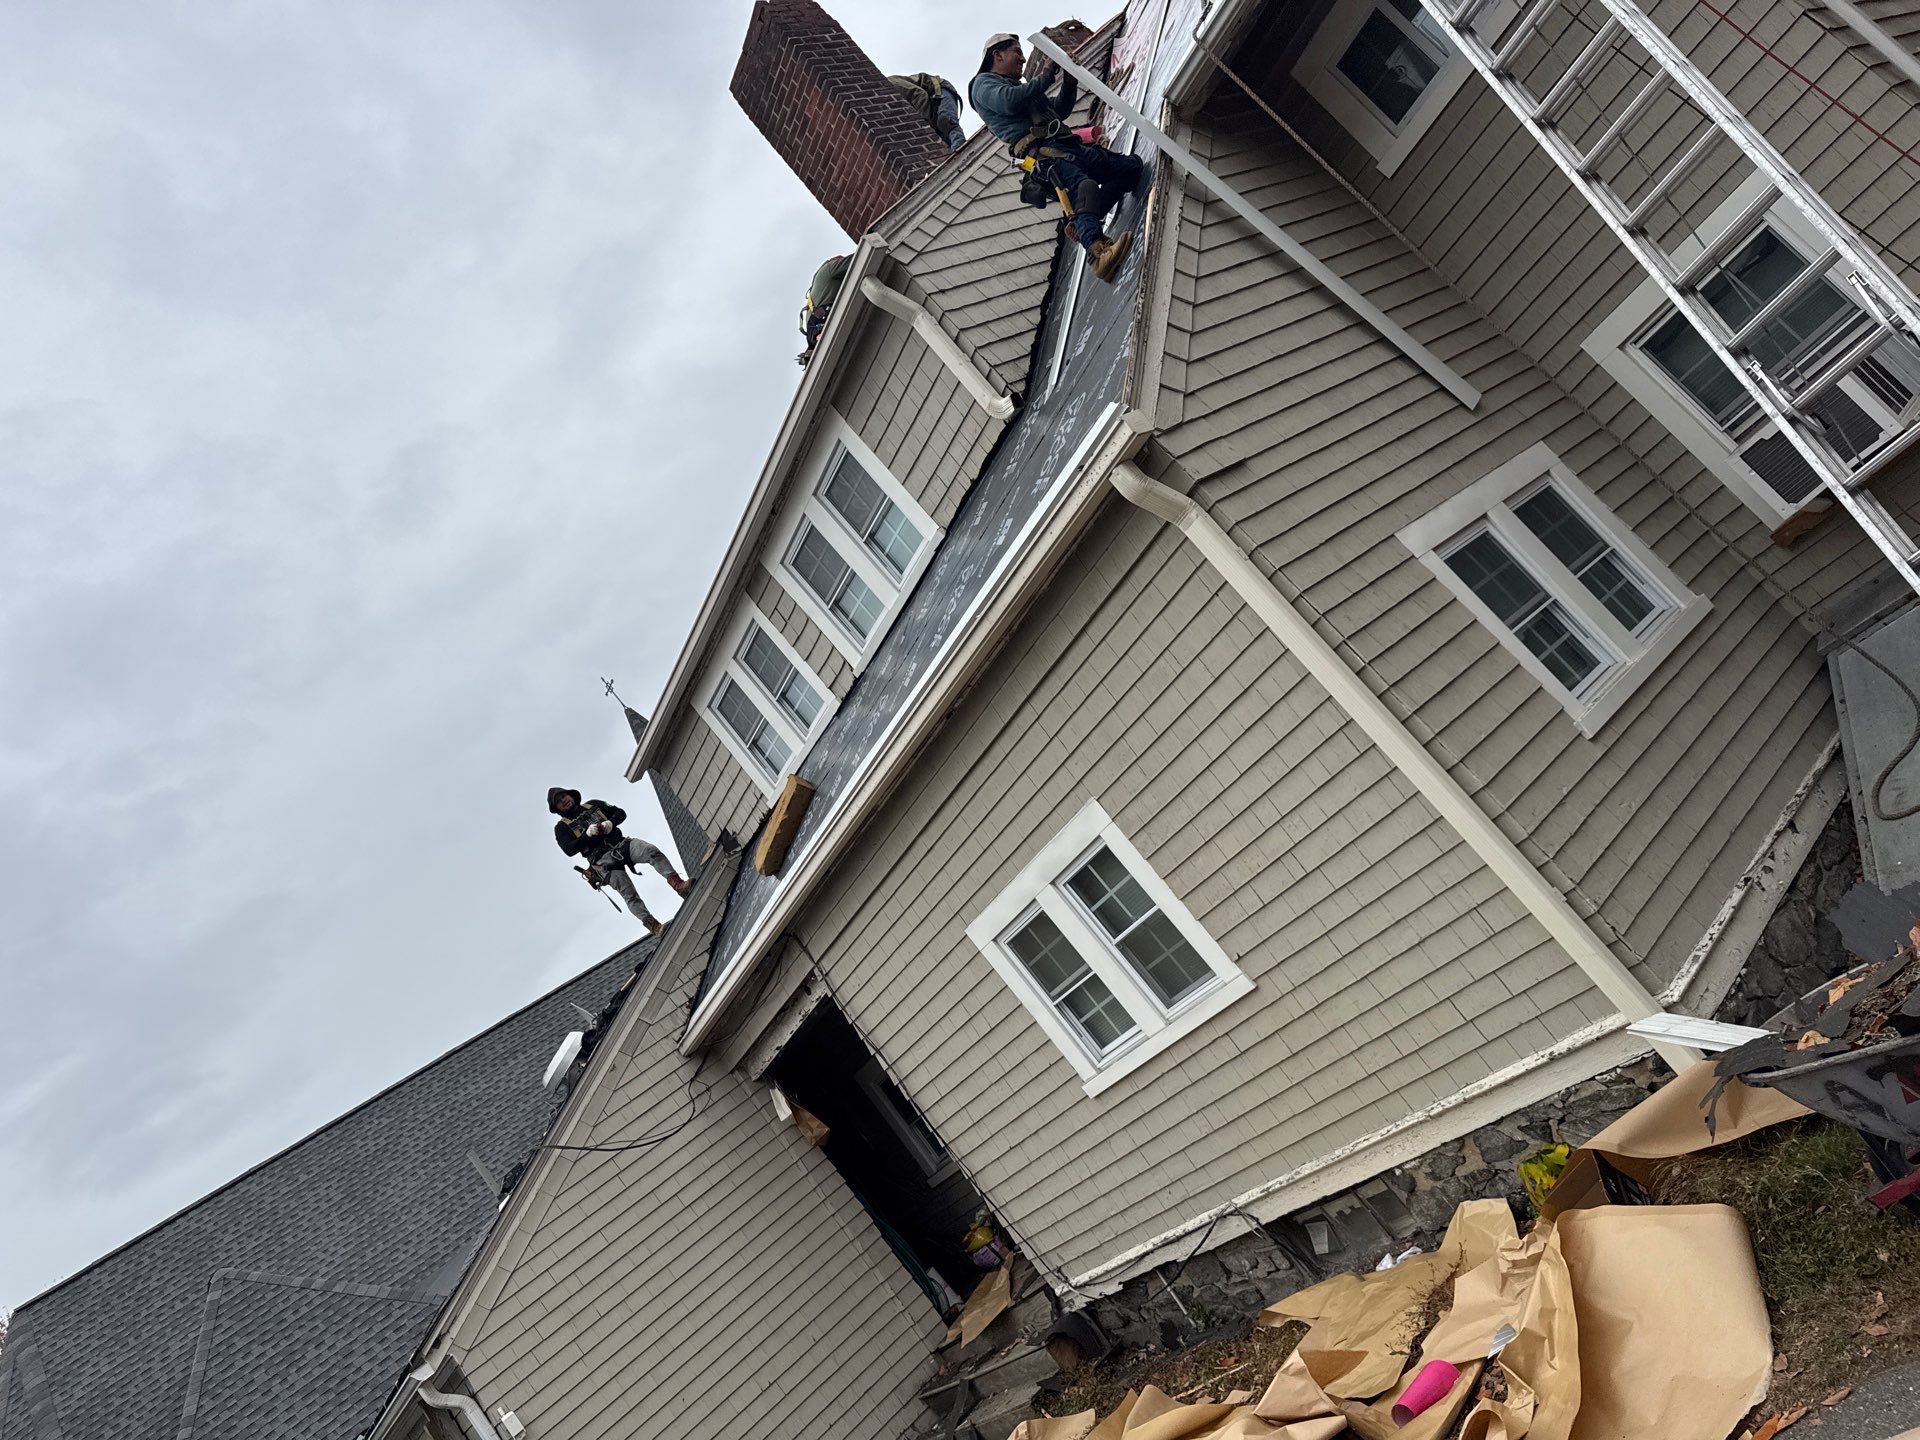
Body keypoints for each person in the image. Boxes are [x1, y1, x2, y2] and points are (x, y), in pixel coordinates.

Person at [968, 32, 1143, 283]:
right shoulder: (983, 85)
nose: (1022, 57)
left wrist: (1069, 80)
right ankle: (1098, 254)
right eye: (1017, 52)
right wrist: (1048, 73)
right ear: (998, 54)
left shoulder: (1021, 90)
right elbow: (1009, 102)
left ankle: (1083, 224)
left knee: (1130, 169)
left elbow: (1057, 110)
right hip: (1046, 157)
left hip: (1067, 147)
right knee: (1085, 187)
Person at [547, 787, 689, 935]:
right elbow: (569, 850)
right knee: (629, 894)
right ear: (556, 808)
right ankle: (654, 926)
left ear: (571, 795)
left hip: (621, 844)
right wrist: (586, 836)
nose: (563, 801)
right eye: (558, 801)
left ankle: (679, 885)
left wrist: (610, 823)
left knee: (650, 851)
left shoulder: (593, 805)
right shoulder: (561, 828)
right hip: (602, 861)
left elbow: (620, 813)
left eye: (564, 796)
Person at [797, 253, 851, 366]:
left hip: (814, 325)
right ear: (836, 260)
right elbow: (856, 259)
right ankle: (819, 340)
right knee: (823, 335)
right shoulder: (830, 268)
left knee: (820, 339)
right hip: (821, 318)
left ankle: (812, 351)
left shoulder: (820, 280)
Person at [889, 72, 966, 150]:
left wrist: (926, 124)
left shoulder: (891, 84)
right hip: (929, 102)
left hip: (938, 89)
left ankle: (960, 147)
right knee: (939, 135)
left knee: (945, 120)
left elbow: (919, 95)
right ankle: (955, 152)